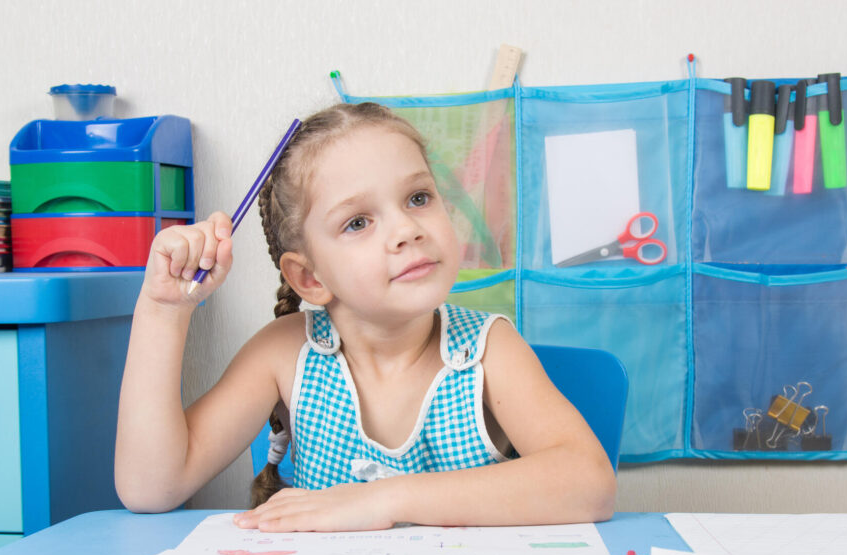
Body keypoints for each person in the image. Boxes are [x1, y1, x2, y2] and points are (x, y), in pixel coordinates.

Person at [114, 102, 616, 532]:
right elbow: (150, 487)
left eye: (418, 198)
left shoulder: (488, 350)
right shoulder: (284, 353)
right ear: (310, 278)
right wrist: (162, 311)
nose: (406, 229)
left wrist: (382, 499)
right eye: (358, 222)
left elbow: (589, 483)